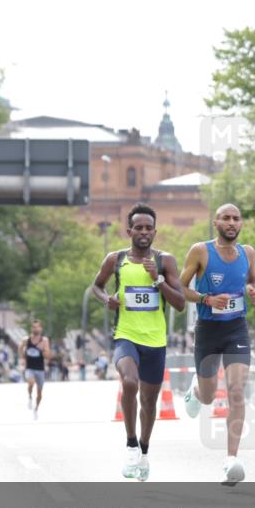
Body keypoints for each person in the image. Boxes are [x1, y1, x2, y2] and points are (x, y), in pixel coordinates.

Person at [91, 203, 185, 481]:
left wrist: (157, 280)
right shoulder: (115, 259)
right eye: (138, 228)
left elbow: (179, 303)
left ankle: (144, 450)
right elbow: (96, 285)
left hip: (155, 340)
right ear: (129, 230)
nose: (143, 232)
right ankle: (131, 443)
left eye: (148, 228)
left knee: (149, 400)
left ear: (155, 231)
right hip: (126, 335)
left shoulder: (165, 261)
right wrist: (107, 299)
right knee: (130, 382)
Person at [179, 203, 255, 485]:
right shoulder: (201, 251)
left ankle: (231, 460)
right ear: (216, 223)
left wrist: (253, 292)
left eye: (236, 218)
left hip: (236, 329)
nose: (231, 222)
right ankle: (196, 389)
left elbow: (252, 281)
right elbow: (180, 287)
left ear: (241, 224)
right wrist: (205, 299)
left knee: (237, 391)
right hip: (208, 330)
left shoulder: (248, 253)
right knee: (209, 396)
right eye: (225, 218)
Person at [18, 319, 50, 420]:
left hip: (40, 368)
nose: (36, 329)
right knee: (31, 383)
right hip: (29, 367)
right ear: (31, 328)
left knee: (40, 393)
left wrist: (43, 350)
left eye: (37, 327)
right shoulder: (26, 339)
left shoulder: (44, 340)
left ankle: (36, 409)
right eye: (34, 327)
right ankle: (30, 397)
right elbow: (20, 348)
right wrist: (22, 358)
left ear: (41, 328)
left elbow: (48, 355)